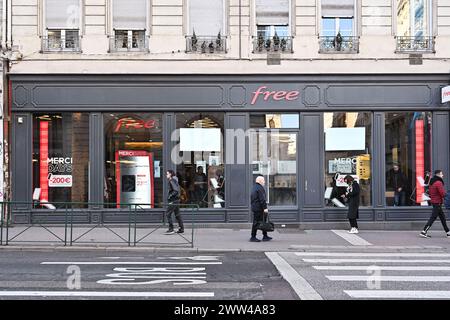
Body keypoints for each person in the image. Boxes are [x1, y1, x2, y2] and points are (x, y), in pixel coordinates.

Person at [420, 170, 450, 238]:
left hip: (434, 201)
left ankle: (448, 232)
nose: (443, 175)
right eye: (442, 174)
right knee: (433, 218)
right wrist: (447, 195)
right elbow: (442, 193)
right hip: (437, 202)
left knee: (442, 218)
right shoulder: (438, 183)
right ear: (438, 175)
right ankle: (424, 231)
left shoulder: (432, 181)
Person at [250, 176, 272, 242]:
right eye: (263, 180)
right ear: (260, 181)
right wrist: (265, 208)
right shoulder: (260, 188)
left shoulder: (254, 187)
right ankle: (253, 237)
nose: (264, 182)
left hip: (255, 207)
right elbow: (262, 199)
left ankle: (265, 236)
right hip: (259, 208)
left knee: (263, 221)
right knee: (256, 222)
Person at [165, 170, 184, 235]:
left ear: (170, 174)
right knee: (177, 214)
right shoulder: (175, 180)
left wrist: (169, 196)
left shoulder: (172, 181)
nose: (166, 175)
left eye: (167, 174)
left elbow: (175, 191)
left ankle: (171, 229)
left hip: (173, 200)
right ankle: (181, 228)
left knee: (168, 213)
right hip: (177, 200)